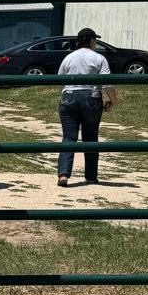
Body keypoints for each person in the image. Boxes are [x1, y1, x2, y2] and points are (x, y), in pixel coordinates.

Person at [55, 27, 115, 187]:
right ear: (91, 41)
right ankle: (90, 176)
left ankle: (63, 174)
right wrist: (112, 100)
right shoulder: (99, 58)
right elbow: (107, 82)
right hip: (91, 98)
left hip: (69, 97)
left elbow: (59, 80)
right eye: (95, 40)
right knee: (90, 138)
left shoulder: (68, 58)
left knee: (68, 137)